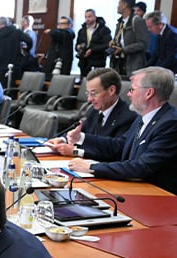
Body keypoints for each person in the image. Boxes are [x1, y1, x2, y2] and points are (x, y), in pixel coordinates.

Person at [67, 66, 177, 195]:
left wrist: (91, 168)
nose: (128, 94)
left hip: (157, 196)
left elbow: (142, 167)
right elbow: (119, 146)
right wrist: (81, 137)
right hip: (134, 189)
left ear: (149, 93)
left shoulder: (170, 123)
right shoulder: (143, 118)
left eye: (132, 89)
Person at [46, 68, 136, 156]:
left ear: (111, 90)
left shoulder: (128, 116)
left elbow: (115, 151)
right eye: (88, 94)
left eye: (93, 93)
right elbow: (79, 133)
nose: (89, 99)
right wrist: (63, 139)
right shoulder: (94, 111)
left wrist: (76, 152)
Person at [109, 0, 150, 76]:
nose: (118, 6)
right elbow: (121, 39)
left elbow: (144, 44)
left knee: (131, 87)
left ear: (125, 5)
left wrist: (124, 50)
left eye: (119, 3)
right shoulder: (120, 22)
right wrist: (113, 42)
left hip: (133, 65)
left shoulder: (137, 20)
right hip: (118, 63)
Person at [76, 9, 112, 77]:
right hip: (84, 62)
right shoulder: (82, 31)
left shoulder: (104, 30)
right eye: (86, 17)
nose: (87, 19)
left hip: (98, 61)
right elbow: (77, 45)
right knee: (84, 83)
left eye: (89, 16)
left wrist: (92, 50)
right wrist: (78, 47)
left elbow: (107, 45)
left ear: (95, 17)